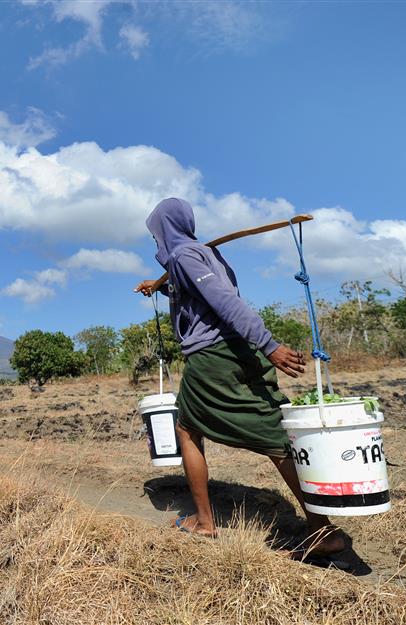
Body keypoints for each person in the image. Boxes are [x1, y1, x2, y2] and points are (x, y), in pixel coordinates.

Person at [134, 197, 346, 555]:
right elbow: (199, 298)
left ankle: (320, 531)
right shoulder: (202, 255)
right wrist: (160, 286)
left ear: (163, 230)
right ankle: (317, 527)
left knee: (263, 439)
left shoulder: (185, 257)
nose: (156, 240)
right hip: (234, 352)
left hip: (215, 357)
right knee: (200, 427)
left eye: (156, 233)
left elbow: (226, 303)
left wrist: (270, 345)